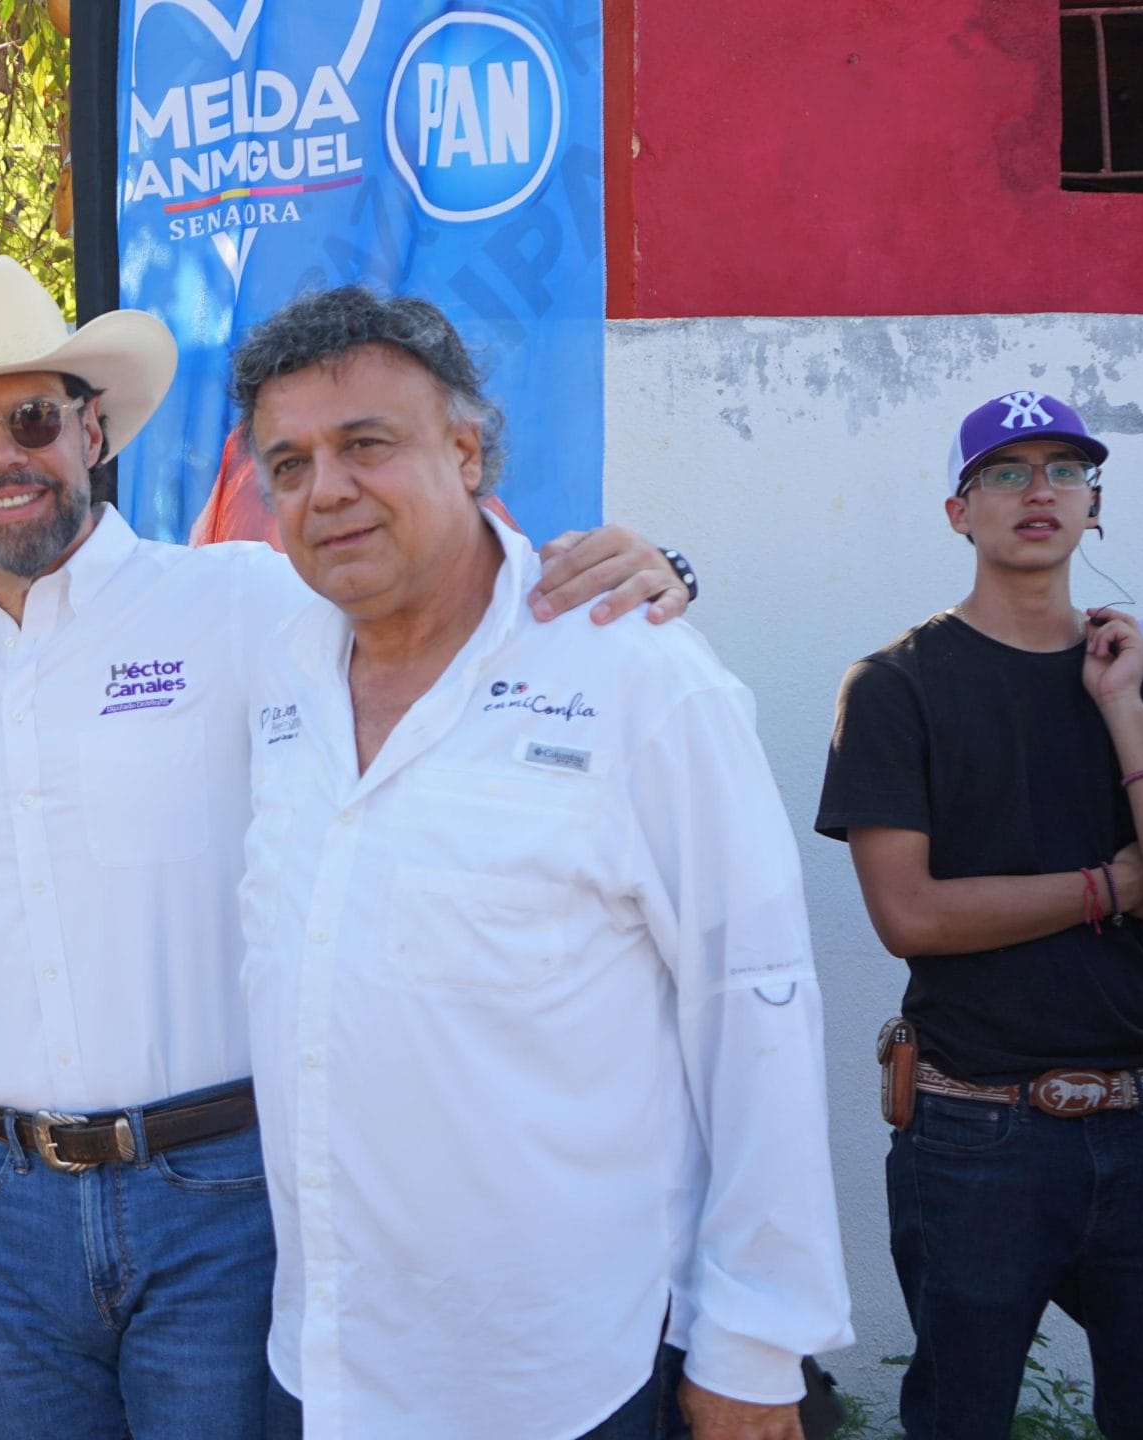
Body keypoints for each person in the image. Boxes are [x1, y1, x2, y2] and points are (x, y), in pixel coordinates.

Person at [0, 258, 700, 1438]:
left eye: (31, 419)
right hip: (2, 1200)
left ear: (90, 429)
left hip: (215, 1187)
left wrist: (641, 578)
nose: (1, 457)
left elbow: (451, 606)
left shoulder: (242, 601)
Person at [231, 288, 850, 1440]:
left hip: (565, 1375)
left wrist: (756, 1343)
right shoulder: (278, 676)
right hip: (327, 1361)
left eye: (366, 443)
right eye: (291, 462)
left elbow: (754, 1004)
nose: (328, 490)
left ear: (465, 452)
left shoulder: (639, 676)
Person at [818, 390, 1143, 1438]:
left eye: (1063, 471)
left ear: (1095, 506)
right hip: (975, 1129)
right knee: (960, 1419)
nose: (1037, 491)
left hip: (1141, 1118)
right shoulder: (894, 687)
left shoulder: (1131, 678)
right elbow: (909, 916)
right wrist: (1110, 887)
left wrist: (1121, 710)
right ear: (958, 512)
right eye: (1004, 473)